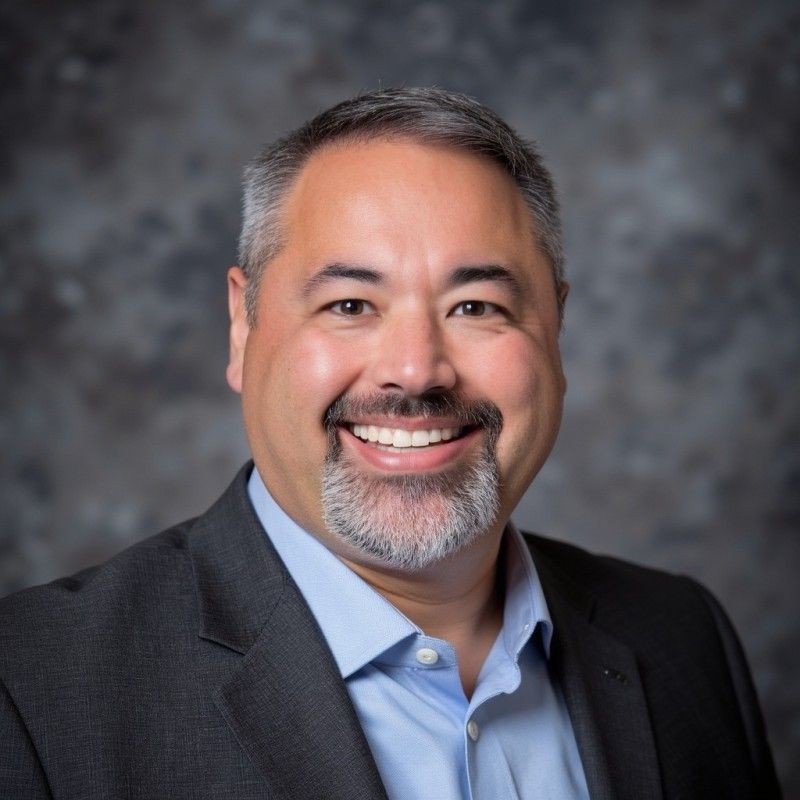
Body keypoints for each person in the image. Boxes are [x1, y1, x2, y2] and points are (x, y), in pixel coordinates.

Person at [0, 88, 780, 800]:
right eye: (349, 303)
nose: (415, 371)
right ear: (244, 326)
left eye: (475, 306)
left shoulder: (683, 638)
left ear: (556, 328)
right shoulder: (34, 690)